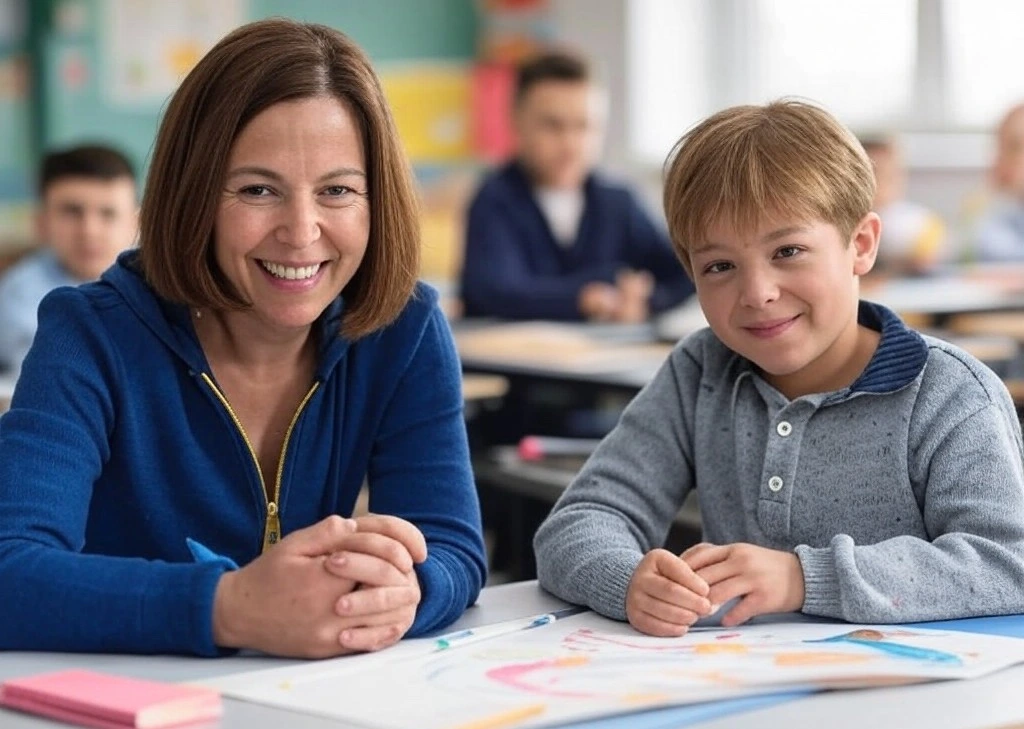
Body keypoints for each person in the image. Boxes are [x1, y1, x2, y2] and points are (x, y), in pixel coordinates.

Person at [0, 18, 486, 658]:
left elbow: (450, 547)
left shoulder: (406, 327)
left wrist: (403, 592)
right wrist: (230, 608)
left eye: (338, 191)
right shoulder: (89, 333)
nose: (301, 230)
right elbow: (10, 572)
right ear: (194, 193)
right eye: (258, 189)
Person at [534, 100, 1024, 635]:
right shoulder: (700, 372)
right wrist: (629, 581)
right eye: (719, 266)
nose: (757, 293)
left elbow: (1008, 564)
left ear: (860, 245)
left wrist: (803, 579)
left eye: (788, 251)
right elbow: (577, 523)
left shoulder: (949, 393)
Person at [459, 50, 693, 322]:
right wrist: (585, 297)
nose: (570, 144)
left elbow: (685, 270)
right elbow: (491, 291)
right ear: (517, 121)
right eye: (552, 125)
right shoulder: (494, 200)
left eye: (584, 126)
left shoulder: (618, 201)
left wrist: (644, 301)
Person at [0, 145, 137, 377]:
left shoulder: (167, 285)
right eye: (72, 212)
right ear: (41, 223)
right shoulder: (19, 295)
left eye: (108, 213)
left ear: (138, 222)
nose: (89, 231)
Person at [860, 135, 946, 275]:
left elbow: (928, 262)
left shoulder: (922, 223)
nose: (885, 183)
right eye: (877, 173)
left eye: (893, 174)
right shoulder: (844, 223)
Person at [967, 103, 1024, 262]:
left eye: (1015, 147)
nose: (1000, 160)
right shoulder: (1001, 214)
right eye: (1001, 149)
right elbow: (982, 246)